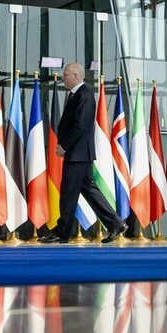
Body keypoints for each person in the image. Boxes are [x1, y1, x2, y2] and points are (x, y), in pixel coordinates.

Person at [40, 63, 127, 244]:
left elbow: (79, 125)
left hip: (78, 154)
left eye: (65, 75)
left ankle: (62, 232)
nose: (63, 78)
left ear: (76, 76)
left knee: (68, 193)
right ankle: (115, 223)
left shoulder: (85, 94)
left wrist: (64, 146)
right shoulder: (77, 95)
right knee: (88, 190)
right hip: (78, 153)